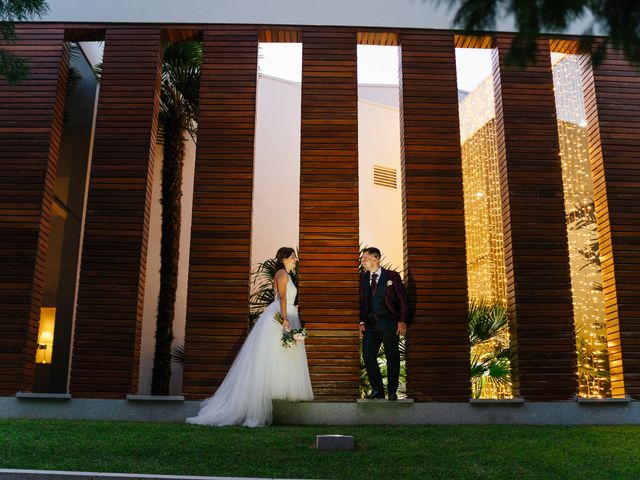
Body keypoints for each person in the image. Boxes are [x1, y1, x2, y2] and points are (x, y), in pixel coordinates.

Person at [186, 247, 313, 427]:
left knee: (282, 354)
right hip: (281, 315)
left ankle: (277, 394)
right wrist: (285, 319)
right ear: (284, 259)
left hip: (288, 314)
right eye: (292, 257)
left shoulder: (286, 274)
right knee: (273, 354)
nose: (295, 260)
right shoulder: (282, 274)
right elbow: (283, 297)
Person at [359, 247, 409, 401]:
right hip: (370, 325)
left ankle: (392, 391)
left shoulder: (392, 276)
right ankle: (377, 391)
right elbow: (361, 301)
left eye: (365, 259)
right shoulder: (362, 277)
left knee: (392, 357)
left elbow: (403, 299)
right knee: (368, 355)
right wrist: (361, 322)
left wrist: (402, 321)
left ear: (375, 259)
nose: (362, 262)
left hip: (389, 322)